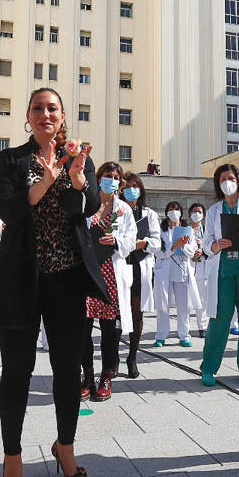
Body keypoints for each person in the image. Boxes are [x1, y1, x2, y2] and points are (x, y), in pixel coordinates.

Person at [0, 88, 107, 477]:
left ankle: (66, 448)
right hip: (21, 279)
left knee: (67, 372)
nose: (45, 114)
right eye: (38, 108)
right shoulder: (11, 159)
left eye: (52, 108)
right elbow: (7, 209)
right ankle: (13, 458)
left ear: (63, 116)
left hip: (67, 281)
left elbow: (90, 206)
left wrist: (77, 180)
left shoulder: (80, 157)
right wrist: (44, 181)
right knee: (17, 373)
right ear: (27, 115)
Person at [199, 164, 239, 385]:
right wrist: (215, 245)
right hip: (223, 270)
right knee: (219, 320)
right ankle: (209, 368)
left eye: (231, 178)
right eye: (222, 179)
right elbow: (206, 242)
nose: (227, 183)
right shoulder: (214, 211)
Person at [80, 163, 136, 400]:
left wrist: (116, 240)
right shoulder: (87, 203)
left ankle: (106, 376)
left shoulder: (123, 209)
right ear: (98, 178)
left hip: (110, 272)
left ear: (120, 182)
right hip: (86, 271)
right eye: (106, 176)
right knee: (83, 328)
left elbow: (131, 240)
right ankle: (87, 375)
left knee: (108, 330)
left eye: (115, 177)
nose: (110, 180)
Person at [121, 172, 159, 377]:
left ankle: (132, 356)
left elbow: (157, 242)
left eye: (134, 187)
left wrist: (144, 243)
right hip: (120, 265)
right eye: (127, 187)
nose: (131, 190)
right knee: (117, 314)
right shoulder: (116, 210)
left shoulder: (149, 214)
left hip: (140, 266)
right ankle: (113, 360)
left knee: (137, 313)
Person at [153, 201, 202, 347]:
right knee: (163, 305)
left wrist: (184, 245)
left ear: (181, 212)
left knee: (183, 305)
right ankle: (161, 336)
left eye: (177, 209)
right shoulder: (160, 231)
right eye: (171, 209)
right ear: (167, 212)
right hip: (165, 270)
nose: (174, 212)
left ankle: (184, 335)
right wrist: (173, 247)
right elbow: (158, 252)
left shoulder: (188, 230)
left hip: (182, 269)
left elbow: (193, 251)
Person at [188, 202, 211, 337]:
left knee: (202, 298)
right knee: (186, 300)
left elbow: (211, 246)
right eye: (194, 212)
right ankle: (184, 329)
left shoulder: (208, 230)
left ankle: (202, 327)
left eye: (199, 212)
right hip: (188, 266)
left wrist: (202, 249)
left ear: (203, 216)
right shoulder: (185, 229)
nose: (196, 214)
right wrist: (192, 250)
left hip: (202, 266)